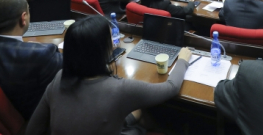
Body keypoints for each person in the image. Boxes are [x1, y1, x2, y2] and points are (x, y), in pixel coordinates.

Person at [26, 16, 191, 135]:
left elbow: (33, 129)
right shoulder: (120, 89)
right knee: (143, 118)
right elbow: (171, 87)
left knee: (137, 112)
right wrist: (183, 59)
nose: (113, 43)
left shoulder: (60, 77)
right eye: (110, 40)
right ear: (101, 50)